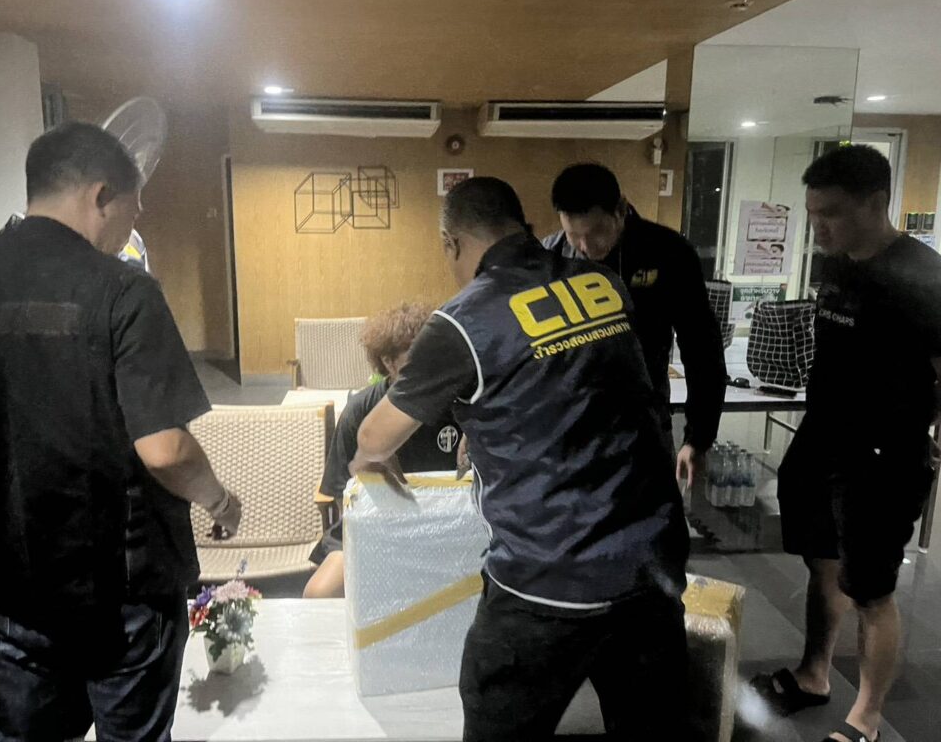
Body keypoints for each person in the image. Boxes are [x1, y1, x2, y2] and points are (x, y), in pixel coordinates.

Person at [0, 122, 241, 742]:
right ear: (101, 196)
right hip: (122, 591)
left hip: (7, 592)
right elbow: (165, 450)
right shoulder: (124, 292)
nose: (131, 230)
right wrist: (221, 501)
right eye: (132, 211)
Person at [349, 177, 690, 741]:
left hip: (546, 580)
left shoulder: (462, 319)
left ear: (451, 244)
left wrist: (370, 459)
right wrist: (486, 425)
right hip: (650, 564)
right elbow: (583, 393)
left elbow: (374, 438)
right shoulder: (602, 283)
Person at [751, 145, 941, 742]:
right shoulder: (836, 265)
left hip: (883, 456)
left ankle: (868, 717)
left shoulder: (924, 278)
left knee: (870, 590)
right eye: (812, 213)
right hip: (824, 441)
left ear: (876, 202)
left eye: (831, 213)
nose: (818, 227)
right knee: (822, 564)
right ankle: (814, 675)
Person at [544, 163, 726, 488]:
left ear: (621, 209)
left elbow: (702, 348)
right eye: (574, 235)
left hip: (643, 424)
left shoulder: (667, 252)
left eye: (596, 233)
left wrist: (699, 437)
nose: (586, 247)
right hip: (568, 428)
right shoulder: (550, 258)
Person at [303, 302, 462, 599]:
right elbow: (341, 496)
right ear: (389, 362)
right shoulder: (360, 411)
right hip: (372, 526)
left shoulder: (458, 405)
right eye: (416, 353)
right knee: (319, 593)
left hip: (445, 527)